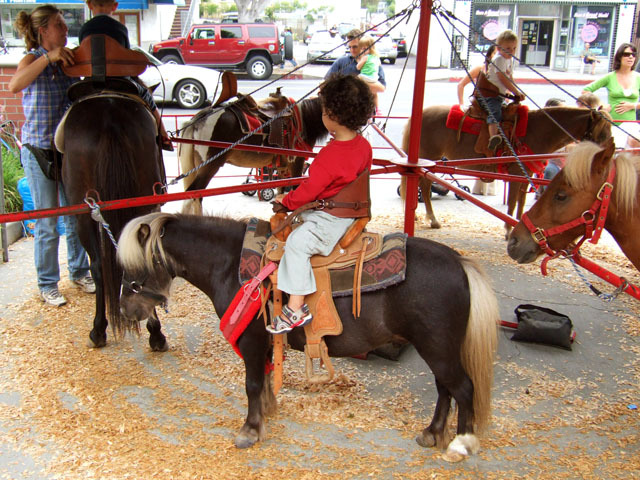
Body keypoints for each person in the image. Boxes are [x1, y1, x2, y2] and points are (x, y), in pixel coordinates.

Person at [266, 75, 375, 334]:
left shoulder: (329, 155)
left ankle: (295, 308)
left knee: (296, 243)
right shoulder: (363, 146)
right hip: (350, 210)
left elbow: (310, 191)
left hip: (332, 218)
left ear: (331, 116)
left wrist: (287, 200)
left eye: (324, 111)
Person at [9, 4, 94, 307]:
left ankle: (80, 271)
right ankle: (47, 283)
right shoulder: (31, 59)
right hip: (38, 151)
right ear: (43, 30)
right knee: (47, 222)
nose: (66, 29)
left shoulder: (69, 61)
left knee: (75, 215)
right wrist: (47, 58)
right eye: (59, 24)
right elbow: (14, 84)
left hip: (67, 151)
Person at [79, 0, 171, 149]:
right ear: (115, 6)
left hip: (91, 81)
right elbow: (125, 59)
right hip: (120, 81)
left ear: (90, 5)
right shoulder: (120, 28)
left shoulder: (85, 28)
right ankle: (163, 134)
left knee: (72, 105)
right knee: (147, 96)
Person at [475, 30, 525, 153]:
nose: (511, 51)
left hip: (498, 94)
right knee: (495, 111)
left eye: (514, 48)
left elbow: (510, 78)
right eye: (507, 48)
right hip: (490, 94)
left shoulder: (508, 60)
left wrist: (517, 91)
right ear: (498, 48)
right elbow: (503, 78)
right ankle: (493, 137)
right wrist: (515, 92)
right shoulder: (499, 59)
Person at [582, 43, 640, 149]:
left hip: (631, 125)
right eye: (627, 54)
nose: (631, 57)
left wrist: (633, 106)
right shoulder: (610, 77)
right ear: (619, 57)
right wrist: (601, 105)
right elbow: (586, 91)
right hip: (612, 124)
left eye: (633, 54)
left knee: (633, 150)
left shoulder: (638, 77)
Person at [325, 28, 386, 95]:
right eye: (349, 47)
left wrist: (353, 84)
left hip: (365, 104)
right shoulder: (341, 62)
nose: (351, 50)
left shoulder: (373, 61)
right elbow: (325, 83)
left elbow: (382, 88)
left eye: (355, 47)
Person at [536, 98, 568, 199]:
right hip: (550, 161)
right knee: (550, 170)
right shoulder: (543, 125)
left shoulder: (566, 125)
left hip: (563, 160)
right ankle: (549, 198)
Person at [356, 35, 381, 108]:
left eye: (364, 49)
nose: (363, 51)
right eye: (361, 49)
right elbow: (379, 64)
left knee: (354, 80)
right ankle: (378, 109)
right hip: (374, 78)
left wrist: (360, 60)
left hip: (365, 77)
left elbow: (358, 67)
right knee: (374, 94)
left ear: (371, 48)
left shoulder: (365, 57)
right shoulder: (376, 57)